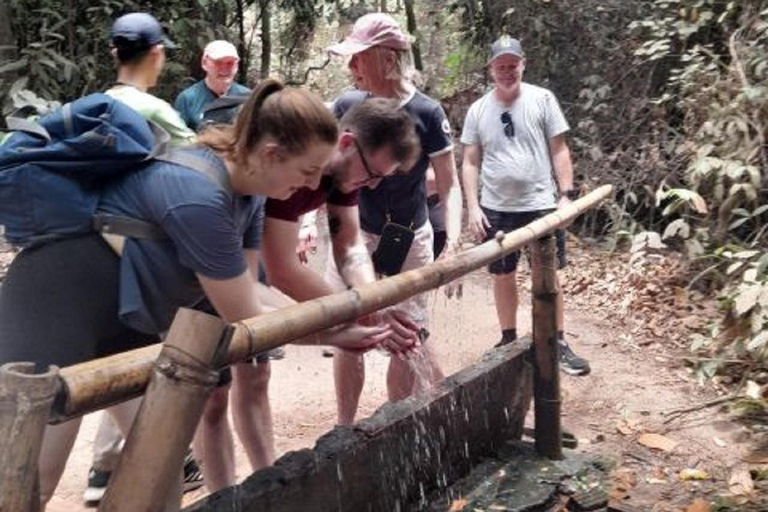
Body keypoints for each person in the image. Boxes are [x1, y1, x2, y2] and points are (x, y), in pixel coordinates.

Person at [0, 67, 415, 506]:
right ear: (272, 153)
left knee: (159, 475)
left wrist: (337, 327)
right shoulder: (198, 195)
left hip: (124, 319)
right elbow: (245, 316)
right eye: (308, 171)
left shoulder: (251, 197)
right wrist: (332, 333)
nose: (314, 186)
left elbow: (256, 291)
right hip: (54, 307)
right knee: (31, 480)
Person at [326, 13, 464, 425]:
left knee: (406, 333)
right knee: (348, 325)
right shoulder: (348, 105)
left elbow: (449, 184)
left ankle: (394, 422)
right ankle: (344, 426)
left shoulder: (426, 112)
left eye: (358, 58)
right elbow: (327, 172)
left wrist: (453, 244)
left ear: (386, 58)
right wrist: (301, 227)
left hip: (409, 236)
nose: (351, 68)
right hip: (357, 232)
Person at [262, 97, 423, 418]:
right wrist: (364, 313)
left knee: (248, 379)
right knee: (236, 381)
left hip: (243, 262)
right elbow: (284, 270)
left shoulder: (343, 170)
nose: (372, 185)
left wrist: (373, 304)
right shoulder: (295, 166)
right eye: (372, 174)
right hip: (210, 257)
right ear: (347, 143)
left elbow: (349, 244)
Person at [460, 35, 590, 376]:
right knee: (502, 275)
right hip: (496, 208)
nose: (507, 72)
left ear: (523, 64)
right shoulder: (478, 110)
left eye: (512, 65)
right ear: (491, 69)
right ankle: (508, 340)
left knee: (546, 276)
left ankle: (556, 340)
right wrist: (473, 207)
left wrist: (566, 196)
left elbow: (559, 148)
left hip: (540, 204)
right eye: (500, 66)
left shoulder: (542, 99)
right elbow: (470, 161)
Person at [174, 40, 251, 132]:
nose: (224, 68)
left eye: (230, 63)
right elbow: (179, 140)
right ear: (204, 63)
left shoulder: (248, 97)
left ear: (237, 66)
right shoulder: (188, 99)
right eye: (218, 62)